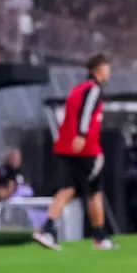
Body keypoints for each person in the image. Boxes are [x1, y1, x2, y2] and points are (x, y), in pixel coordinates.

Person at [33, 54, 114, 251]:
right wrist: (82, 134)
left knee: (68, 188)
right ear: (97, 69)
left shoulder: (76, 89)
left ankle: (48, 228)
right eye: (106, 67)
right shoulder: (93, 89)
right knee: (94, 191)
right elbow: (86, 112)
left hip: (67, 147)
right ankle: (99, 237)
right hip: (86, 149)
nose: (109, 72)